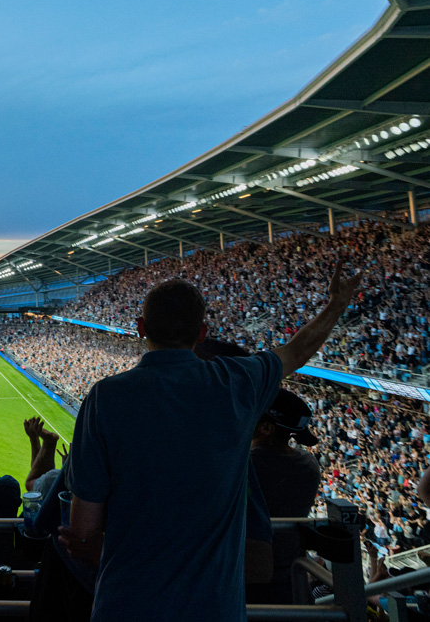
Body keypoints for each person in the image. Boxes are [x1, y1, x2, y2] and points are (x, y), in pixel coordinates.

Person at [60, 265, 363, 622]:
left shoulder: (104, 397)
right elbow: (297, 352)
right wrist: (337, 304)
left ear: (140, 329)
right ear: (202, 333)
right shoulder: (237, 382)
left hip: (127, 602)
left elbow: (83, 528)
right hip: (215, 608)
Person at [247, 388, 323, 604]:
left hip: (248, 577)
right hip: (291, 580)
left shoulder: (246, 465)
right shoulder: (309, 465)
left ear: (266, 428)